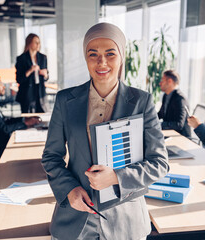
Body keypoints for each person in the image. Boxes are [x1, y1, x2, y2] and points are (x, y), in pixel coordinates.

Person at [42, 23, 169, 240]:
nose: (102, 62)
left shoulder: (142, 102)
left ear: (121, 56)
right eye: (94, 54)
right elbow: (51, 157)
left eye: (110, 54)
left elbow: (159, 163)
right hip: (76, 215)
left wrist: (116, 178)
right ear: (85, 57)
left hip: (126, 220)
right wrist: (70, 189)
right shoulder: (65, 101)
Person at [0, 75, 40, 164]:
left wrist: (24, 119)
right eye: (0, 84)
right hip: (1, 149)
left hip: (4, 142)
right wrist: (25, 123)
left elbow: (4, 120)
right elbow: (4, 129)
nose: (4, 86)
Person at [15, 33, 49, 113]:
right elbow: (19, 79)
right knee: (29, 119)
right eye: (36, 42)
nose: (38, 44)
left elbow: (46, 77)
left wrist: (45, 74)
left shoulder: (43, 57)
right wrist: (30, 70)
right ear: (29, 43)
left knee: (42, 116)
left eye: (39, 42)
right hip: (27, 93)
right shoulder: (21, 58)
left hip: (40, 92)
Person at [157, 70, 191, 137]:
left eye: (162, 80)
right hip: (169, 133)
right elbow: (161, 114)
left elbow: (179, 124)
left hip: (180, 137)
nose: (160, 83)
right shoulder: (166, 96)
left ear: (169, 81)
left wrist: (159, 124)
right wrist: (149, 119)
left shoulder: (180, 99)